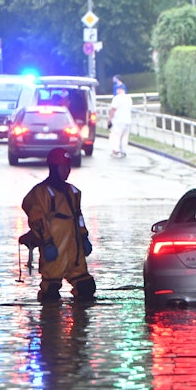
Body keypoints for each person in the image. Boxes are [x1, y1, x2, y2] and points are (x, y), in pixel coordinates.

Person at [21, 148, 96, 302]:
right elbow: (37, 219)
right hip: (54, 250)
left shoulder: (73, 192)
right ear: (53, 168)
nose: (67, 171)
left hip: (74, 253)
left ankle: (78, 321)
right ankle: (50, 322)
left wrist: (84, 237)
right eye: (63, 167)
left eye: (68, 167)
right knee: (51, 292)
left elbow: (78, 217)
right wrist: (47, 242)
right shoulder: (41, 193)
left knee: (86, 288)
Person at [109, 85, 133, 157]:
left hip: (118, 121)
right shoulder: (129, 99)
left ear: (119, 90)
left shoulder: (116, 98)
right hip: (127, 121)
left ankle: (116, 151)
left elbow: (113, 109)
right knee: (124, 137)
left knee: (115, 136)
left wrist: (109, 119)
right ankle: (123, 150)